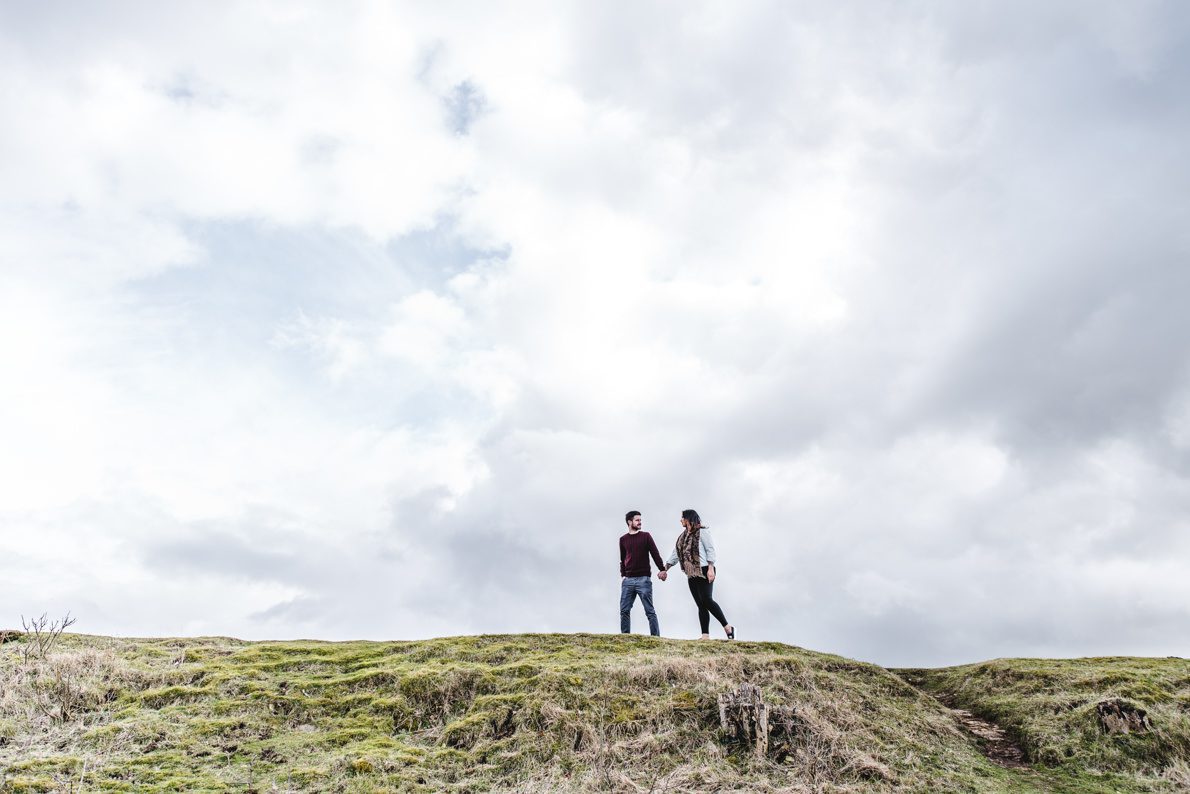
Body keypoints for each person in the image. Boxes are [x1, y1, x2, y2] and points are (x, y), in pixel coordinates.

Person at [660, 509, 734, 640]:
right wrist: (665, 568)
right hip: (691, 573)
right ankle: (705, 635)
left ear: (688, 519)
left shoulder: (703, 532)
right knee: (700, 604)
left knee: (707, 600)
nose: (681, 520)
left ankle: (727, 626)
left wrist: (711, 568)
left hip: (705, 569)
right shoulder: (682, 537)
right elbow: (676, 554)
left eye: (682, 518)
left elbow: (710, 550)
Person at [619, 510, 665, 636]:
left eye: (640, 520)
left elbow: (655, 554)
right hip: (628, 580)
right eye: (637, 520)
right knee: (624, 610)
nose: (640, 522)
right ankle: (625, 638)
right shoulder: (623, 539)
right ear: (630, 522)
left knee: (649, 611)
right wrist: (623, 574)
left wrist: (662, 569)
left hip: (643, 580)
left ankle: (655, 638)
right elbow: (622, 559)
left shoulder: (646, 536)